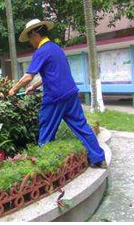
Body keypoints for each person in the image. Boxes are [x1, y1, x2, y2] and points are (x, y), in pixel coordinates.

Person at [8, 19, 106, 168]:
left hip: (55, 97)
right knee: (81, 126)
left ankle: (44, 167)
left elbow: (28, 76)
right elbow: (54, 73)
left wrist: (13, 90)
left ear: (34, 34)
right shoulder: (56, 48)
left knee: (46, 129)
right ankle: (99, 158)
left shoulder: (41, 51)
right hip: (71, 94)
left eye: (29, 37)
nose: (30, 42)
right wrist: (34, 87)